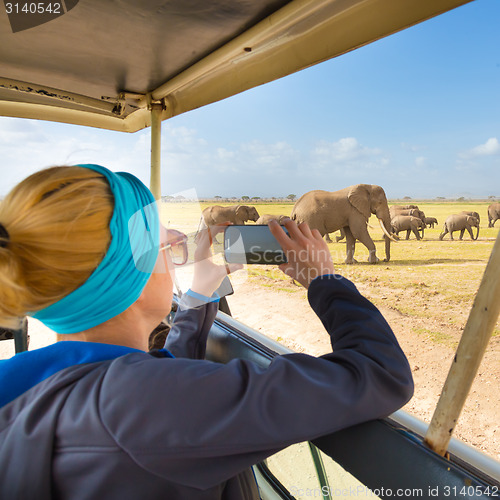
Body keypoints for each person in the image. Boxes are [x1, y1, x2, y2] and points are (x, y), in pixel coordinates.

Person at [0, 164, 413, 499]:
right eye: (167, 248)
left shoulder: (24, 381)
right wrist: (325, 281)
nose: (179, 245)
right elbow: (382, 373)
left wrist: (198, 293)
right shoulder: (150, 403)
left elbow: (158, 384)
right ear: (129, 279)